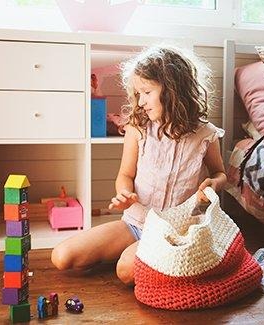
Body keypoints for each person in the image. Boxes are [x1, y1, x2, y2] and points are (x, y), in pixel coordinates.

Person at [50, 45, 227, 285]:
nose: (140, 101)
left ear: (173, 90)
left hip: (176, 230)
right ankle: (138, 252)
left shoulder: (204, 134)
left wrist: (213, 184)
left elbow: (220, 174)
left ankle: (144, 255)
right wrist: (125, 193)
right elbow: (125, 174)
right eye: (138, 94)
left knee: (126, 271)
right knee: (62, 257)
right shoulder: (137, 130)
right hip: (136, 222)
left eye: (146, 92)